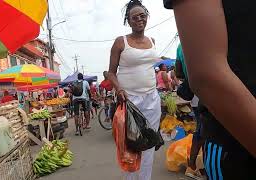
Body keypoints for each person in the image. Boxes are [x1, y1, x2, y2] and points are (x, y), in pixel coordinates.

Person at [164, 0, 256, 179]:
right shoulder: (181, 49)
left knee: (198, 131)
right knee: (199, 131)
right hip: (236, 138)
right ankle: (192, 164)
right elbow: (206, 77)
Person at [107, 0, 161, 179]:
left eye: (142, 16)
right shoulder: (120, 42)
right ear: (128, 21)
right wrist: (119, 88)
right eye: (134, 17)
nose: (139, 19)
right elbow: (111, 73)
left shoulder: (152, 41)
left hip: (152, 99)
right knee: (130, 145)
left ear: (147, 18)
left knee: (149, 143)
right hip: (130, 101)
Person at [175, 44, 203, 178]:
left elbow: (178, 73)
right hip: (208, 91)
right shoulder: (208, 37)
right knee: (207, 131)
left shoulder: (180, 46)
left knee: (201, 129)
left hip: (194, 93)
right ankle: (195, 166)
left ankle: (193, 165)